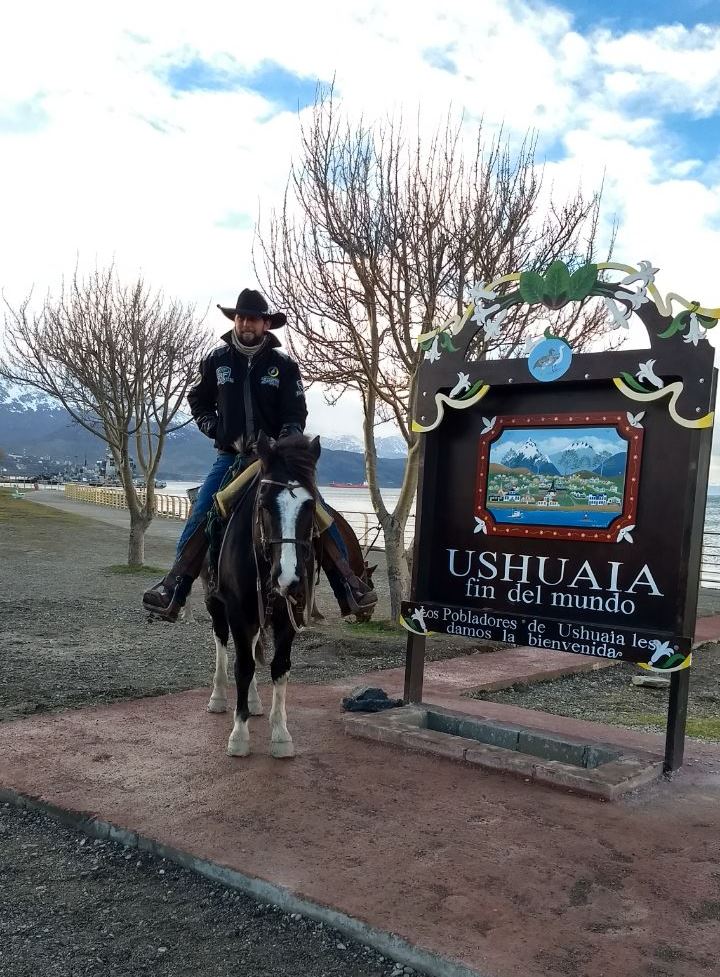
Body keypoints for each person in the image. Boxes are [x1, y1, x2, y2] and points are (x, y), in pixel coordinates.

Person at [142, 288, 377, 621]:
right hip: (231, 457)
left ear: (266, 324)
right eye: (240, 317)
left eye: (252, 318)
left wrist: (284, 440)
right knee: (203, 510)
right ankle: (174, 589)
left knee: (317, 509)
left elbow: (296, 412)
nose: (245, 323)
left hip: (276, 457)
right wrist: (213, 427)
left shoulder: (283, 365)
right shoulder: (216, 361)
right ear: (234, 321)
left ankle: (348, 587)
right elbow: (198, 398)